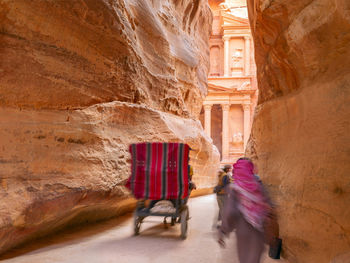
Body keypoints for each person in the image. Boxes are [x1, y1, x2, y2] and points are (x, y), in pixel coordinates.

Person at [217, 158, 272, 263]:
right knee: (255, 258)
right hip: (259, 231)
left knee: (245, 257)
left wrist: (223, 231)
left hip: (243, 231)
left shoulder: (235, 189)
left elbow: (230, 212)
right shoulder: (258, 186)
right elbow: (268, 205)